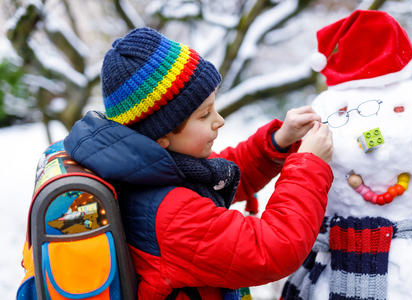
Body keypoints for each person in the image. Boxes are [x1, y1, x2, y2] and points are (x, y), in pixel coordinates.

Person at [64, 27, 334, 300]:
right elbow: (273, 248)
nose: (219, 120)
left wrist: (278, 142)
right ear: (161, 135)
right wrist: (307, 166)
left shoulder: (149, 170)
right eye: (205, 115)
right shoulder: (172, 215)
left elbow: (221, 173)